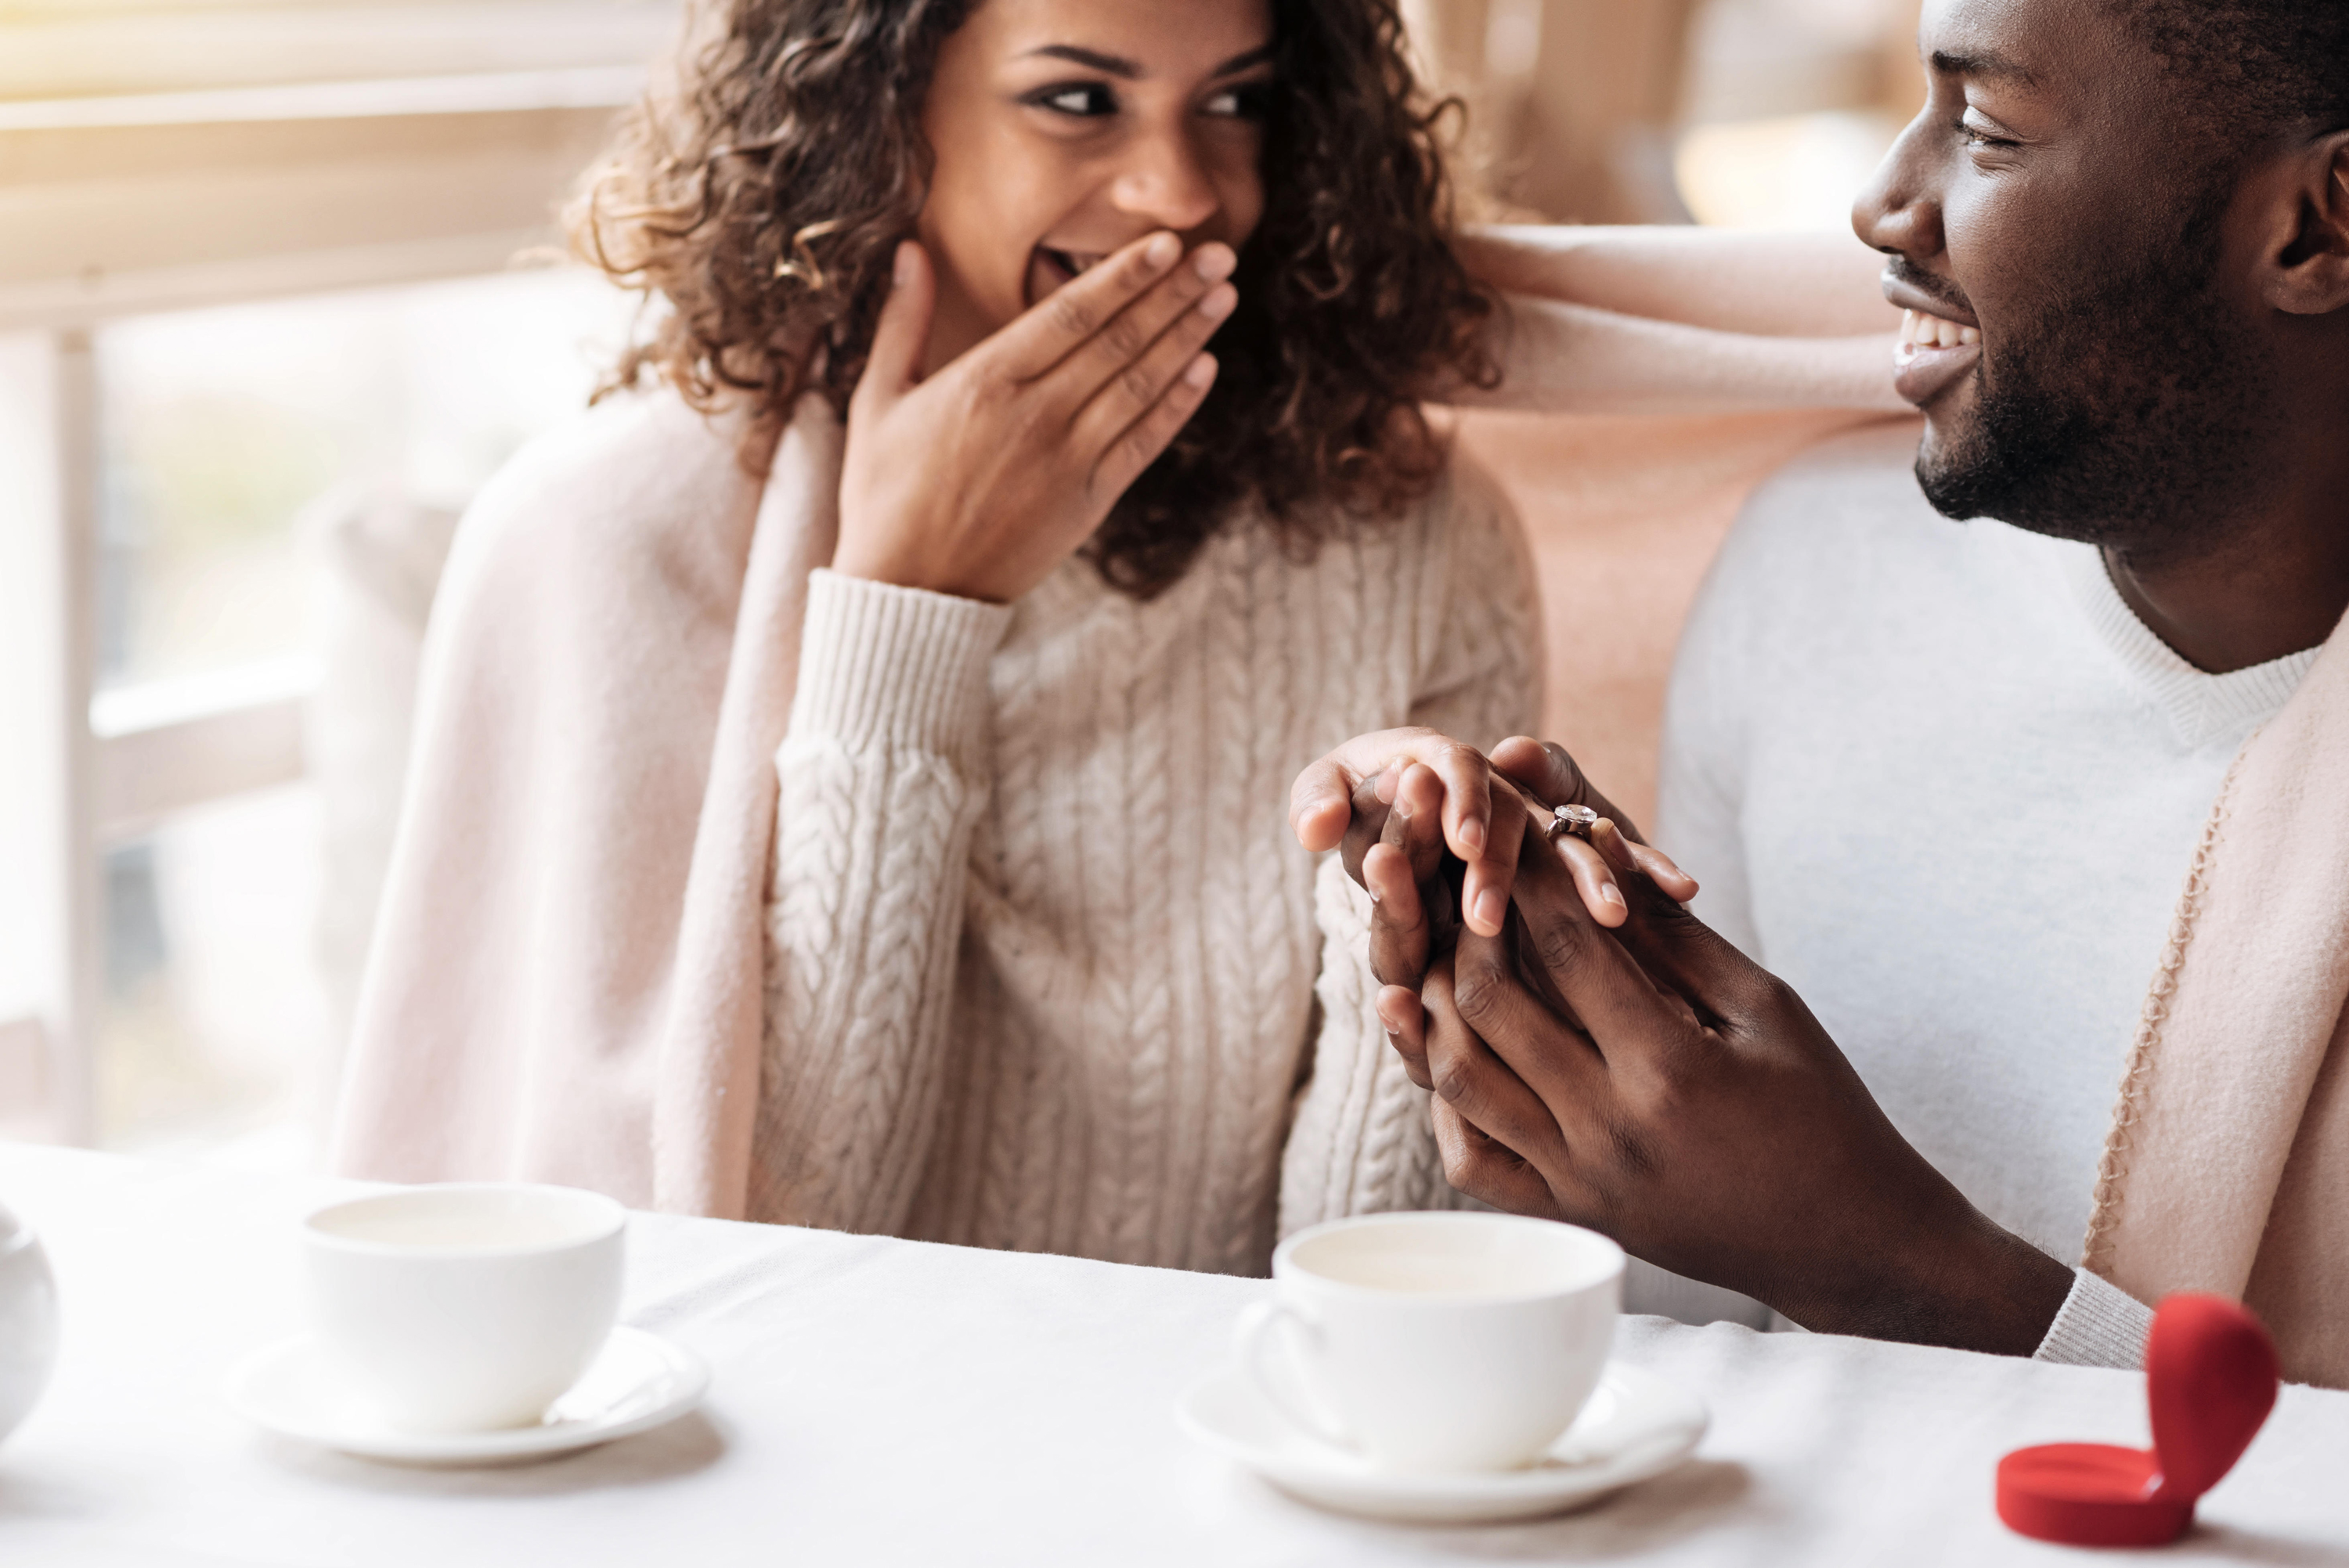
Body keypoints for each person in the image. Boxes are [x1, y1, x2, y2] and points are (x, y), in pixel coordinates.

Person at [332, 0, 1898, 1271]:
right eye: (1078, 101)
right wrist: (903, 620)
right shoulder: (610, 543)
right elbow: (756, 1275)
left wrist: (1393, 936)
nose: (1184, 191)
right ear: (881, 114)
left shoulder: (1407, 527)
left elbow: (1378, 1304)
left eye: (1238, 101)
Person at [1292, 0, 2349, 1381]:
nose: (1882, 203)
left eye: (1986, 127)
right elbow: (1689, 1355)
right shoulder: (1818, 569)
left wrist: (1891, 1266)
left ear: (2315, 231)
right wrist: (1518, 988)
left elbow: (1825, 1268)